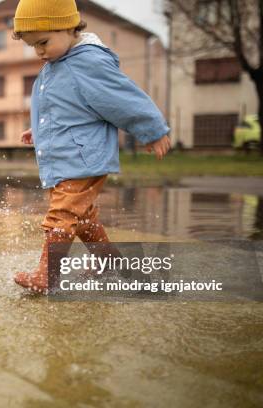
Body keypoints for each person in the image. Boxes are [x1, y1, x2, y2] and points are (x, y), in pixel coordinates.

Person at [11, 0, 172, 293]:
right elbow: (64, 106)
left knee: (62, 216)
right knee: (83, 221)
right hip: (67, 157)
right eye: (33, 46)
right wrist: (39, 129)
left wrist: (152, 130)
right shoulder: (58, 63)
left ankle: (47, 277)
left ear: (70, 27)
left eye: (43, 42)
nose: (40, 52)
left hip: (80, 158)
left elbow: (121, 98)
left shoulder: (88, 62)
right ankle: (111, 263)